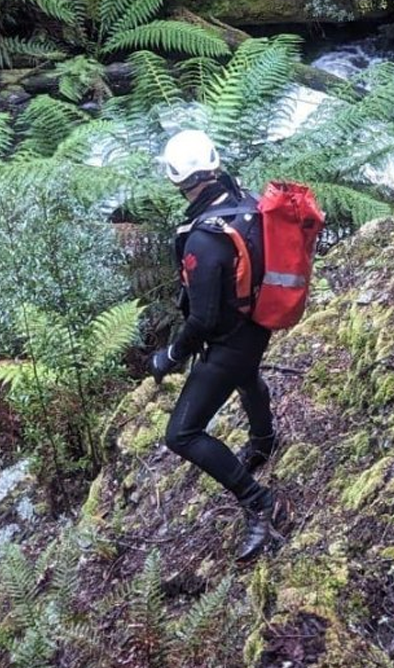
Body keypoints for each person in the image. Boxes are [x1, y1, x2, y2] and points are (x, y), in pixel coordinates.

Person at [150, 130, 280, 561]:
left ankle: (260, 503)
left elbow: (202, 319)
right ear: (215, 163)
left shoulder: (205, 238)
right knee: (247, 378)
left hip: (229, 340)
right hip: (257, 323)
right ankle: (263, 439)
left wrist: (171, 355)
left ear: (176, 179)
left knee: (182, 433)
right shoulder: (242, 198)